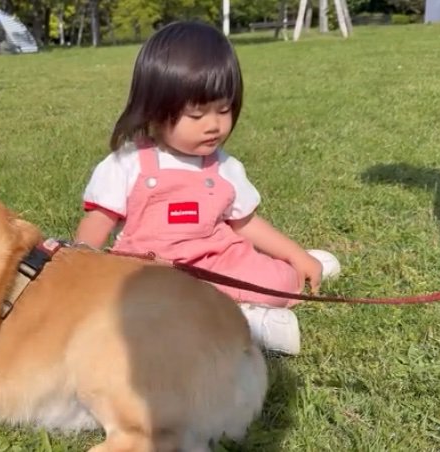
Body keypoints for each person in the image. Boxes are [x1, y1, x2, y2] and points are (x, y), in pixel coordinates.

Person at [74, 21, 341, 355]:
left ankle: (295, 271)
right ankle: (248, 322)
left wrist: (295, 254)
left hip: (219, 262)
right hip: (153, 274)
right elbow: (98, 222)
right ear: (154, 111)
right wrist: (77, 269)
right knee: (139, 309)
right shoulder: (127, 164)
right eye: (196, 114)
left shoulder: (224, 166)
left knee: (278, 282)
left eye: (224, 110)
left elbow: (245, 223)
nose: (214, 125)